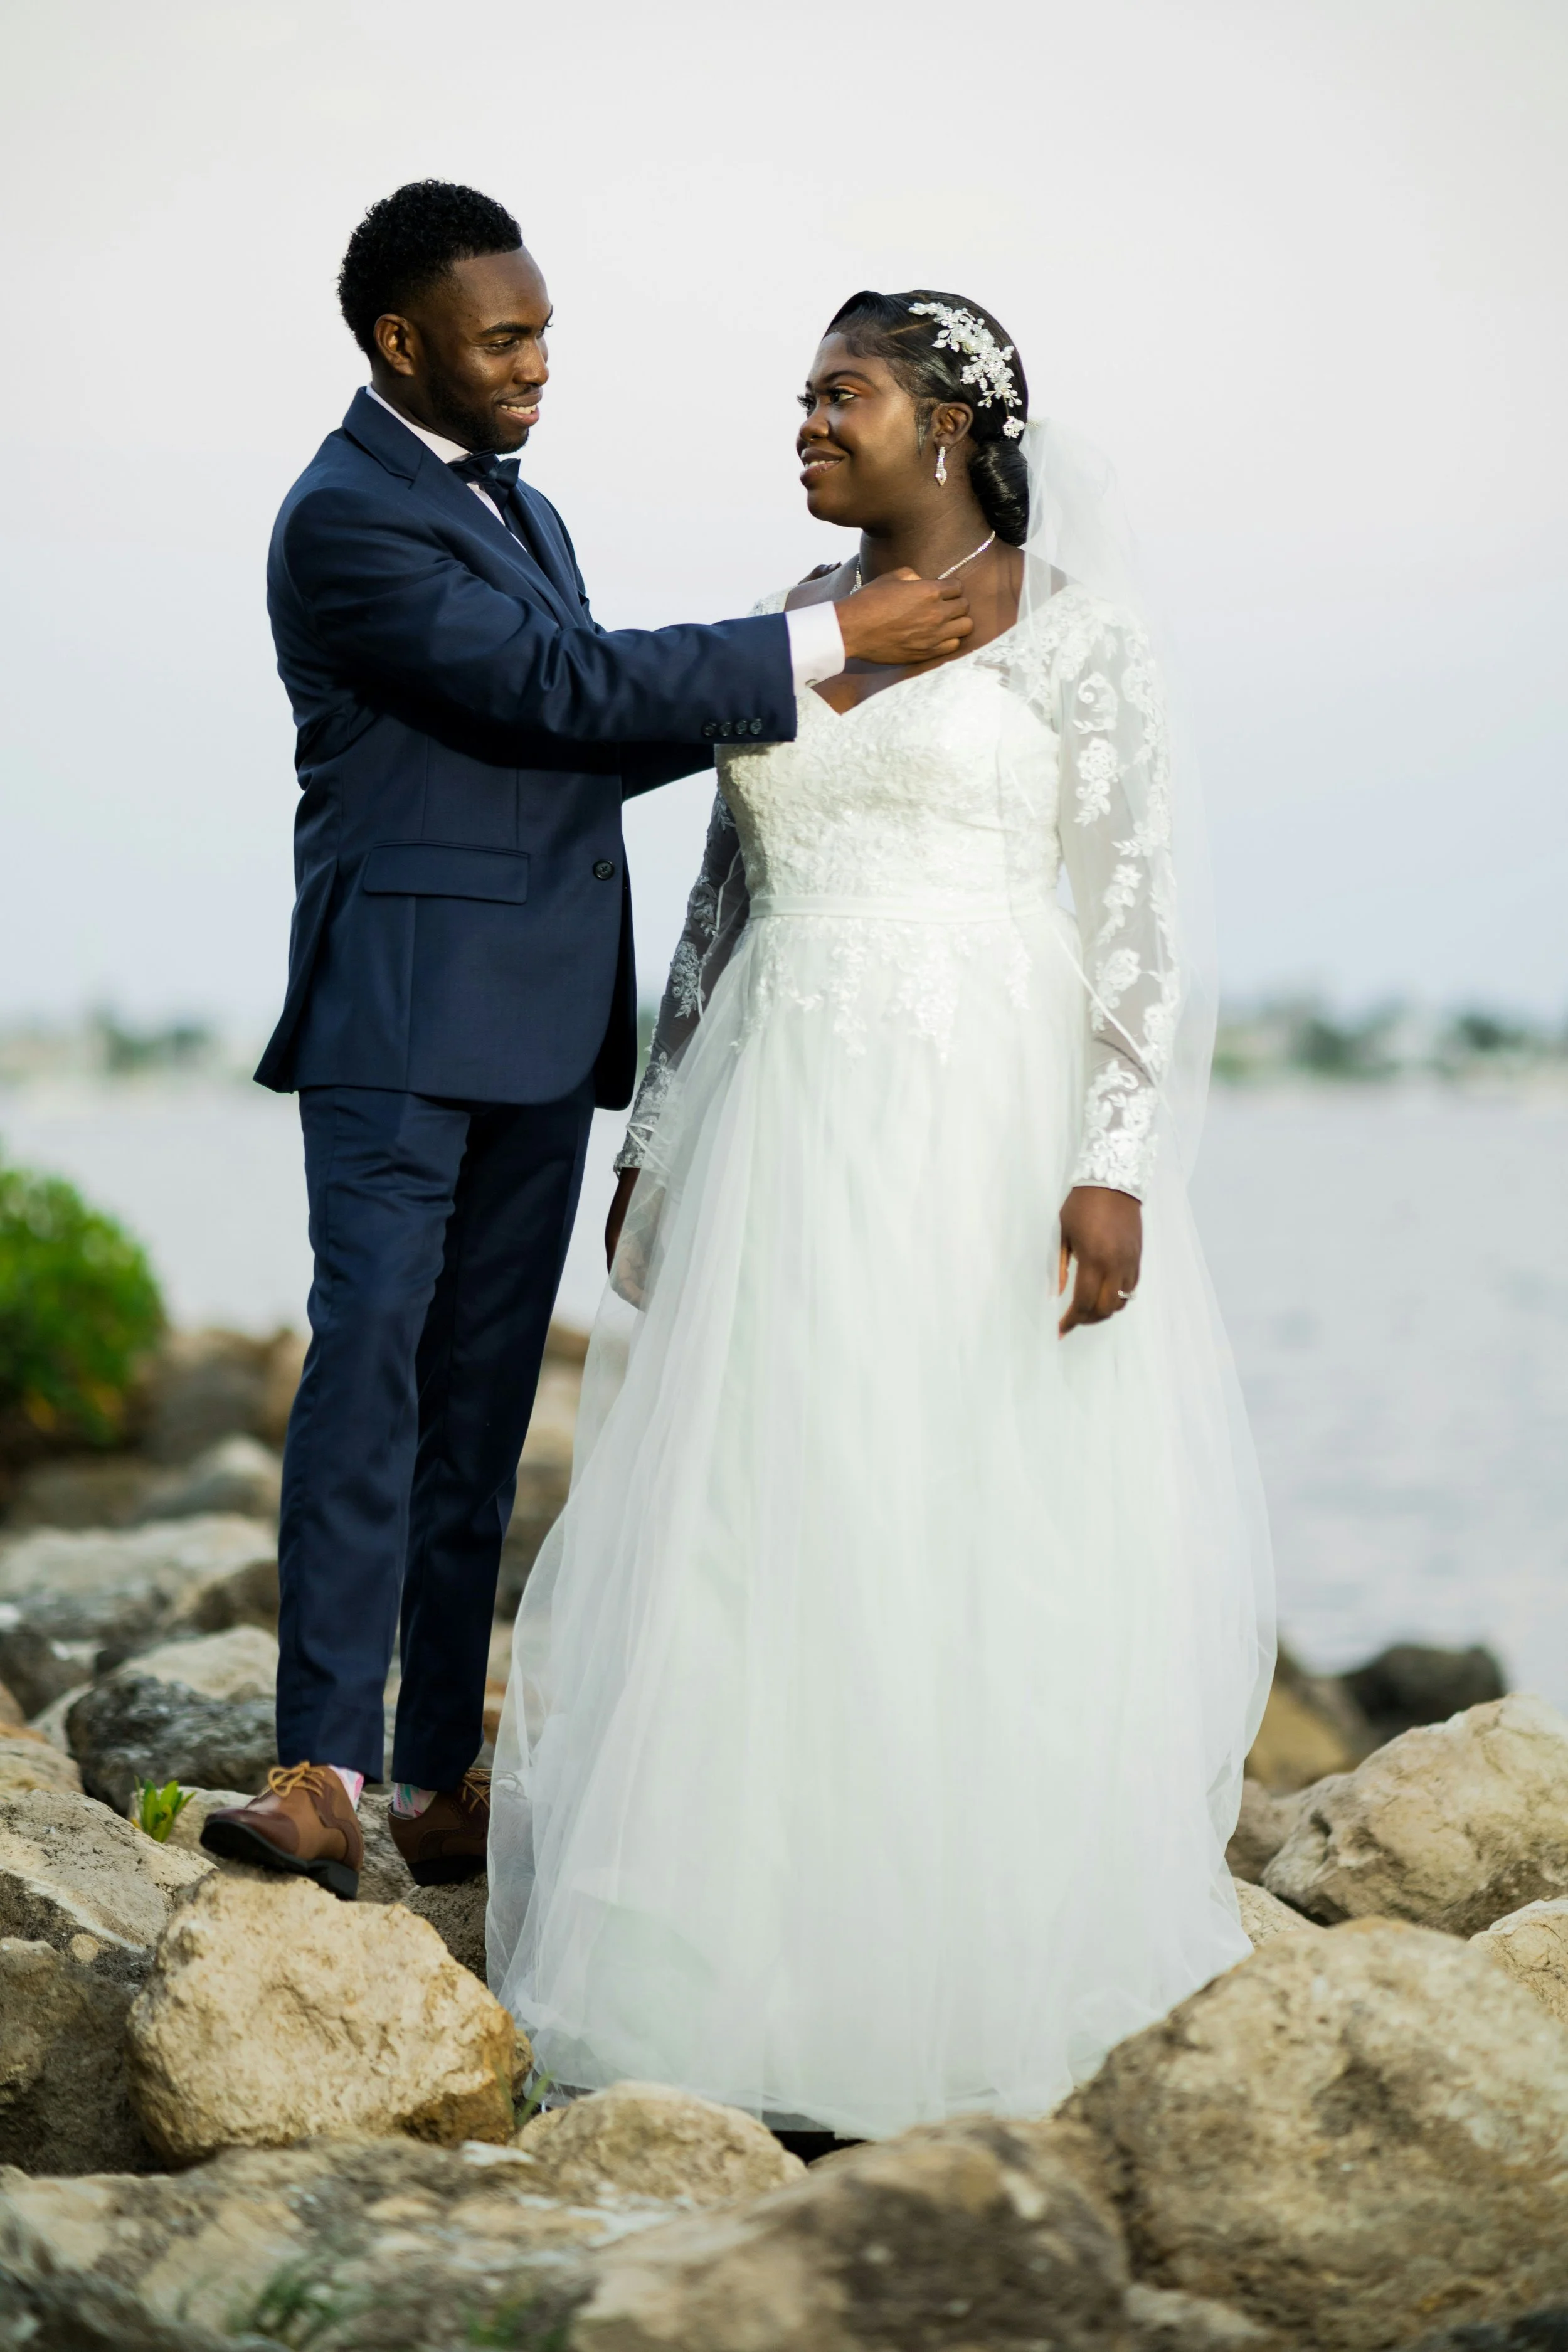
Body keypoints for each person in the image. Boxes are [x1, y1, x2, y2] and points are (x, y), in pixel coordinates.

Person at [487, 289, 1274, 2137]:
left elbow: (1137, 915)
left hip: (982, 1113)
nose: (806, 421)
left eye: (840, 393)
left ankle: (971, 1970)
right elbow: (713, 908)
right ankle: (734, 1978)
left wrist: (1114, 1160)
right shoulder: (784, 617)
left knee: (965, 1497)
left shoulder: (1080, 635)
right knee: (770, 1501)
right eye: (803, 395)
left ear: (947, 420)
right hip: (786, 1107)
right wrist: (657, 1137)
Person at [200, 191, 970, 1902]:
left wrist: (801, 696)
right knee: (370, 1366)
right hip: (398, 1017)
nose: (540, 365)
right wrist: (827, 638)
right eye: (504, 338)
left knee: (481, 1405)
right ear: (402, 344)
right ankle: (321, 1764)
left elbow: (570, 728)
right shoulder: (341, 515)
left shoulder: (525, 515)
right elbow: (558, 687)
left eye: (544, 331)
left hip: (548, 1021)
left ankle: (437, 1772)